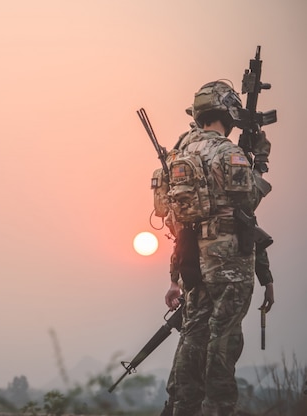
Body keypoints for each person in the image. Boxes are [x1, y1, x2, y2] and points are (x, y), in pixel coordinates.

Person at [158, 80, 275, 416]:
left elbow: (175, 216)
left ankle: (183, 407)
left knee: (193, 335)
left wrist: (175, 275)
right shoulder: (228, 153)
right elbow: (248, 202)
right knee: (223, 339)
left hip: (193, 258)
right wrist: (260, 160)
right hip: (228, 259)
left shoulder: (179, 153)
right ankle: (221, 408)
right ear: (229, 113)